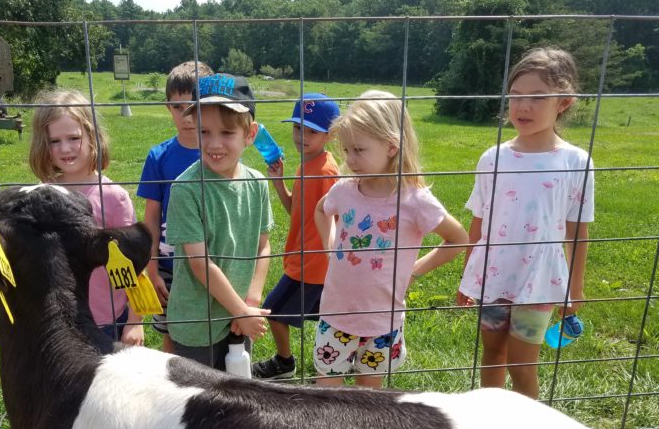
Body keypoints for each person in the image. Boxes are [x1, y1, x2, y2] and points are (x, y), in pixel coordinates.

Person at [457, 47, 594, 399]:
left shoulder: (576, 162)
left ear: (563, 102)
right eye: (516, 96)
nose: (523, 107)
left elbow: (578, 231)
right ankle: (490, 428)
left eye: (537, 97)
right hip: (494, 273)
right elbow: (479, 219)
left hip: (540, 279)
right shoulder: (492, 158)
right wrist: (467, 275)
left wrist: (574, 289)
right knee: (491, 355)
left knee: (522, 366)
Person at [314, 90, 467, 389]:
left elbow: (458, 239)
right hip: (335, 314)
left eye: (359, 150)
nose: (350, 159)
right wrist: (330, 248)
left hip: (382, 322)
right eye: (346, 151)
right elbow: (322, 211)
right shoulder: (344, 190)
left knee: (369, 398)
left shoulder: (415, 201)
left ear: (392, 147)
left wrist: (415, 270)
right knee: (327, 396)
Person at [165, 73, 274, 370]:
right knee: (199, 403)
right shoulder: (186, 188)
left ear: (250, 134)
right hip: (197, 323)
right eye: (205, 132)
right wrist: (240, 310)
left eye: (227, 133)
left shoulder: (258, 184)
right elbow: (199, 262)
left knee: (237, 392)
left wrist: (251, 300)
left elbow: (264, 246)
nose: (214, 144)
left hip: (240, 316)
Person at [29, 89, 144, 345]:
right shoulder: (42, 193)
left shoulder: (113, 197)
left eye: (73, 137)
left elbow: (133, 264)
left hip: (106, 321)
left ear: (92, 137)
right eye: (54, 141)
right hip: (57, 318)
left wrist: (135, 321)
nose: (65, 148)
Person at [253, 93, 341, 380]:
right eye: (297, 128)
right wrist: (278, 182)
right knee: (330, 316)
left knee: (274, 312)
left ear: (330, 135)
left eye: (311, 131)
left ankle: (284, 363)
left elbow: (337, 217)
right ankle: (338, 359)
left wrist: (328, 257)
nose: (301, 136)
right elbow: (297, 210)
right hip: (302, 258)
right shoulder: (307, 164)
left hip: (312, 264)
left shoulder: (326, 171)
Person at [137, 61, 214, 353]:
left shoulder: (218, 154)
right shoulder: (159, 156)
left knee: (212, 330)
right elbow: (152, 217)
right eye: (177, 107)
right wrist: (152, 269)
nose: (187, 116)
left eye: (194, 105)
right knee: (171, 335)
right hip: (170, 266)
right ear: (167, 107)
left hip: (212, 260)